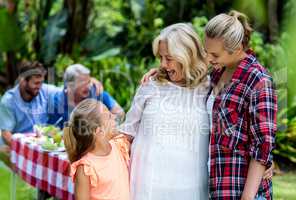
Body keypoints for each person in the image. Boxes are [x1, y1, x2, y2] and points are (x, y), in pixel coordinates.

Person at [141, 11, 276, 200]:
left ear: (236, 48)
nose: (209, 58)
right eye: (206, 51)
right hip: (218, 188)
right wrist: (162, 72)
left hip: (242, 191)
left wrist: (247, 197)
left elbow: (262, 145)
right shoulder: (217, 74)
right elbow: (188, 74)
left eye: (214, 54)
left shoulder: (258, 80)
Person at [119, 23, 210, 200]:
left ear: (187, 55)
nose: (163, 64)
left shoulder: (208, 88)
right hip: (147, 186)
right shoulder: (152, 84)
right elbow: (127, 132)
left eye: (169, 58)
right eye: (160, 57)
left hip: (190, 188)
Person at [0, 61, 103, 167]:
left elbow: (68, 88)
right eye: (36, 83)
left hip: (42, 144)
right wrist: (25, 151)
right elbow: (6, 135)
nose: (39, 87)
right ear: (22, 81)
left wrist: (89, 81)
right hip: (21, 147)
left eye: (41, 82)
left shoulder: (44, 90)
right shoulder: (8, 101)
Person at [63, 99, 130, 200]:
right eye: (109, 116)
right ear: (99, 131)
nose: (114, 116)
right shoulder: (86, 168)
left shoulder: (119, 145)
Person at [48, 64, 124, 128]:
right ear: (70, 85)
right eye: (83, 83)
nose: (88, 86)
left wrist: (108, 127)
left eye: (88, 82)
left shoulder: (96, 93)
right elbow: (53, 130)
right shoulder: (56, 101)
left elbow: (120, 113)